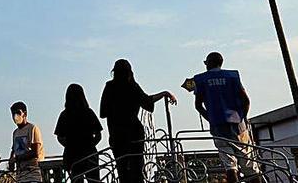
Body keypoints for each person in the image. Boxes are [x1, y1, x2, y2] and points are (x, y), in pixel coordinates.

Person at [99, 59, 177, 183]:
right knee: (137, 169)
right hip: (134, 133)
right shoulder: (132, 86)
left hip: (117, 134)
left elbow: (103, 113)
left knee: (122, 169)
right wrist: (164, 93)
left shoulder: (110, 87)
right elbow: (147, 102)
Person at [192, 52, 261, 183]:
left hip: (218, 127)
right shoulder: (232, 76)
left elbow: (198, 105)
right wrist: (242, 117)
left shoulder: (200, 79)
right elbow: (246, 100)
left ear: (209, 63)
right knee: (249, 165)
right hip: (238, 125)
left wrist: (210, 118)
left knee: (230, 165)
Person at [55, 84, 103, 183]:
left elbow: (59, 137)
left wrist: (69, 145)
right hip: (89, 155)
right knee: (94, 180)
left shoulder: (64, 115)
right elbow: (99, 135)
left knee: (77, 180)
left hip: (72, 156)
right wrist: (89, 145)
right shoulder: (88, 113)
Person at [10, 102, 45, 183]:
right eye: (13, 114)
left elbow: (35, 152)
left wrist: (17, 158)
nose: (15, 116)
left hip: (33, 174)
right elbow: (14, 150)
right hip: (20, 176)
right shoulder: (15, 133)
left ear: (24, 114)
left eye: (18, 113)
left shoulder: (32, 129)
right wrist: (11, 161)